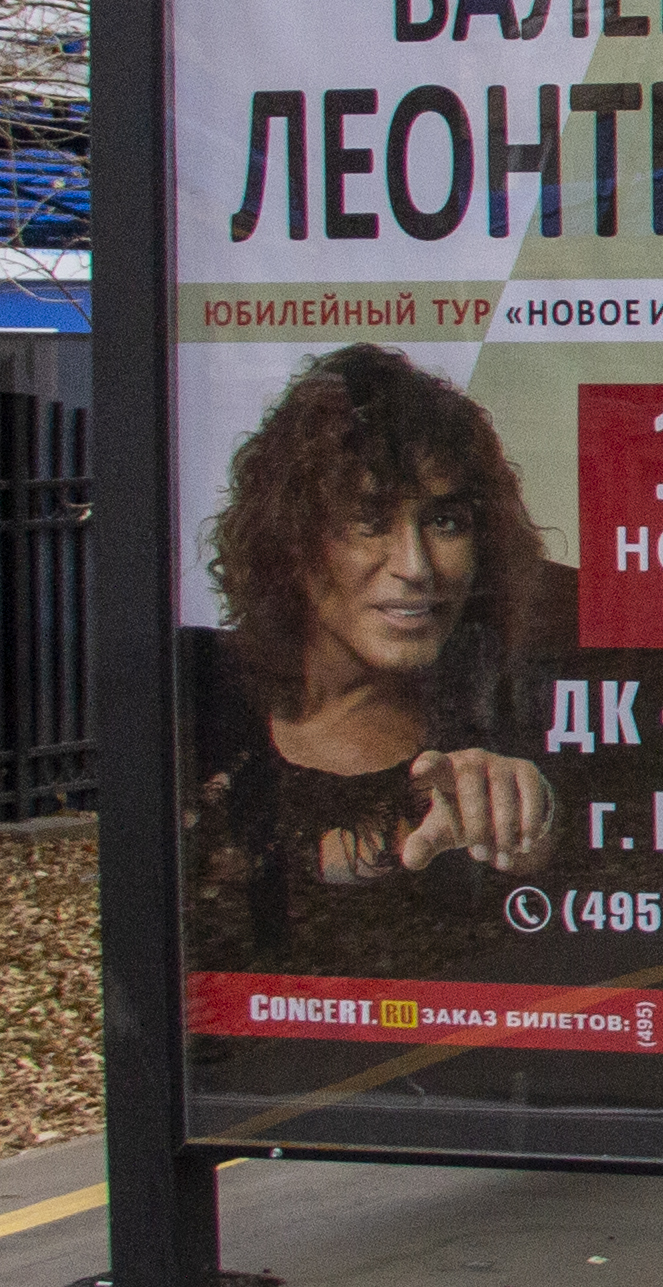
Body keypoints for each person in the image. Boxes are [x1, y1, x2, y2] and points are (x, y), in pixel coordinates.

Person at [189, 343, 563, 970]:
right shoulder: (192, 690)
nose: (415, 567)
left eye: (445, 522)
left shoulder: (512, 725)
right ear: (292, 538)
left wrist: (524, 827)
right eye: (369, 521)